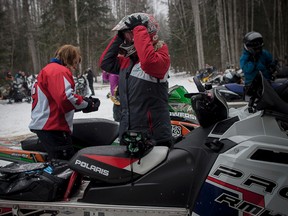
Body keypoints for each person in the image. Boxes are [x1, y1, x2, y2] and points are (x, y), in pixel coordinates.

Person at [99, 12, 173, 148]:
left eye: (129, 34)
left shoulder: (160, 54)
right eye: (125, 35)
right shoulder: (127, 61)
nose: (127, 39)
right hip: (129, 133)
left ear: (145, 32)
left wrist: (138, 29)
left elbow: (149, 63)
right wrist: (119, 37)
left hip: (153, 136)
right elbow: (105, 63)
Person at [29, 44, 100, 160]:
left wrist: (83, 102)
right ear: (70, 59)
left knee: (60, 164)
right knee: (64, 167)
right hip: (53, 127)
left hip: (47, 124)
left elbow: (55, 101)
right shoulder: (58, 71)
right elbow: (65, 98)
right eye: (75, 63)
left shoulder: (48, 70)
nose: (75, 67)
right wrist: (87, 104)